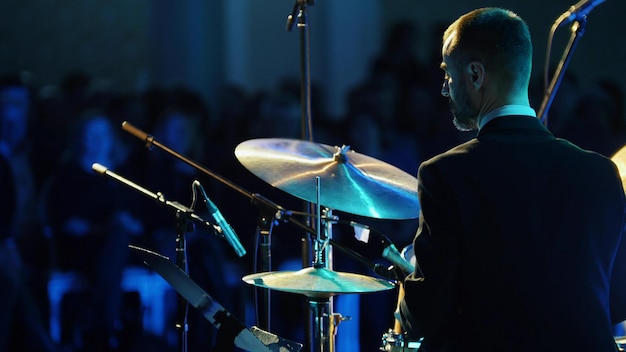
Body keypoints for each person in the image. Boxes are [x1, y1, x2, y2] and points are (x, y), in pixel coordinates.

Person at [395, 7, 626, 351]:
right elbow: (617, 301)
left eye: (448, 74)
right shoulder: (601, 173)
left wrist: (408, 278)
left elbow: (424, 316)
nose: (445, 88)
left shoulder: (445, 174)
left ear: (475, 74)